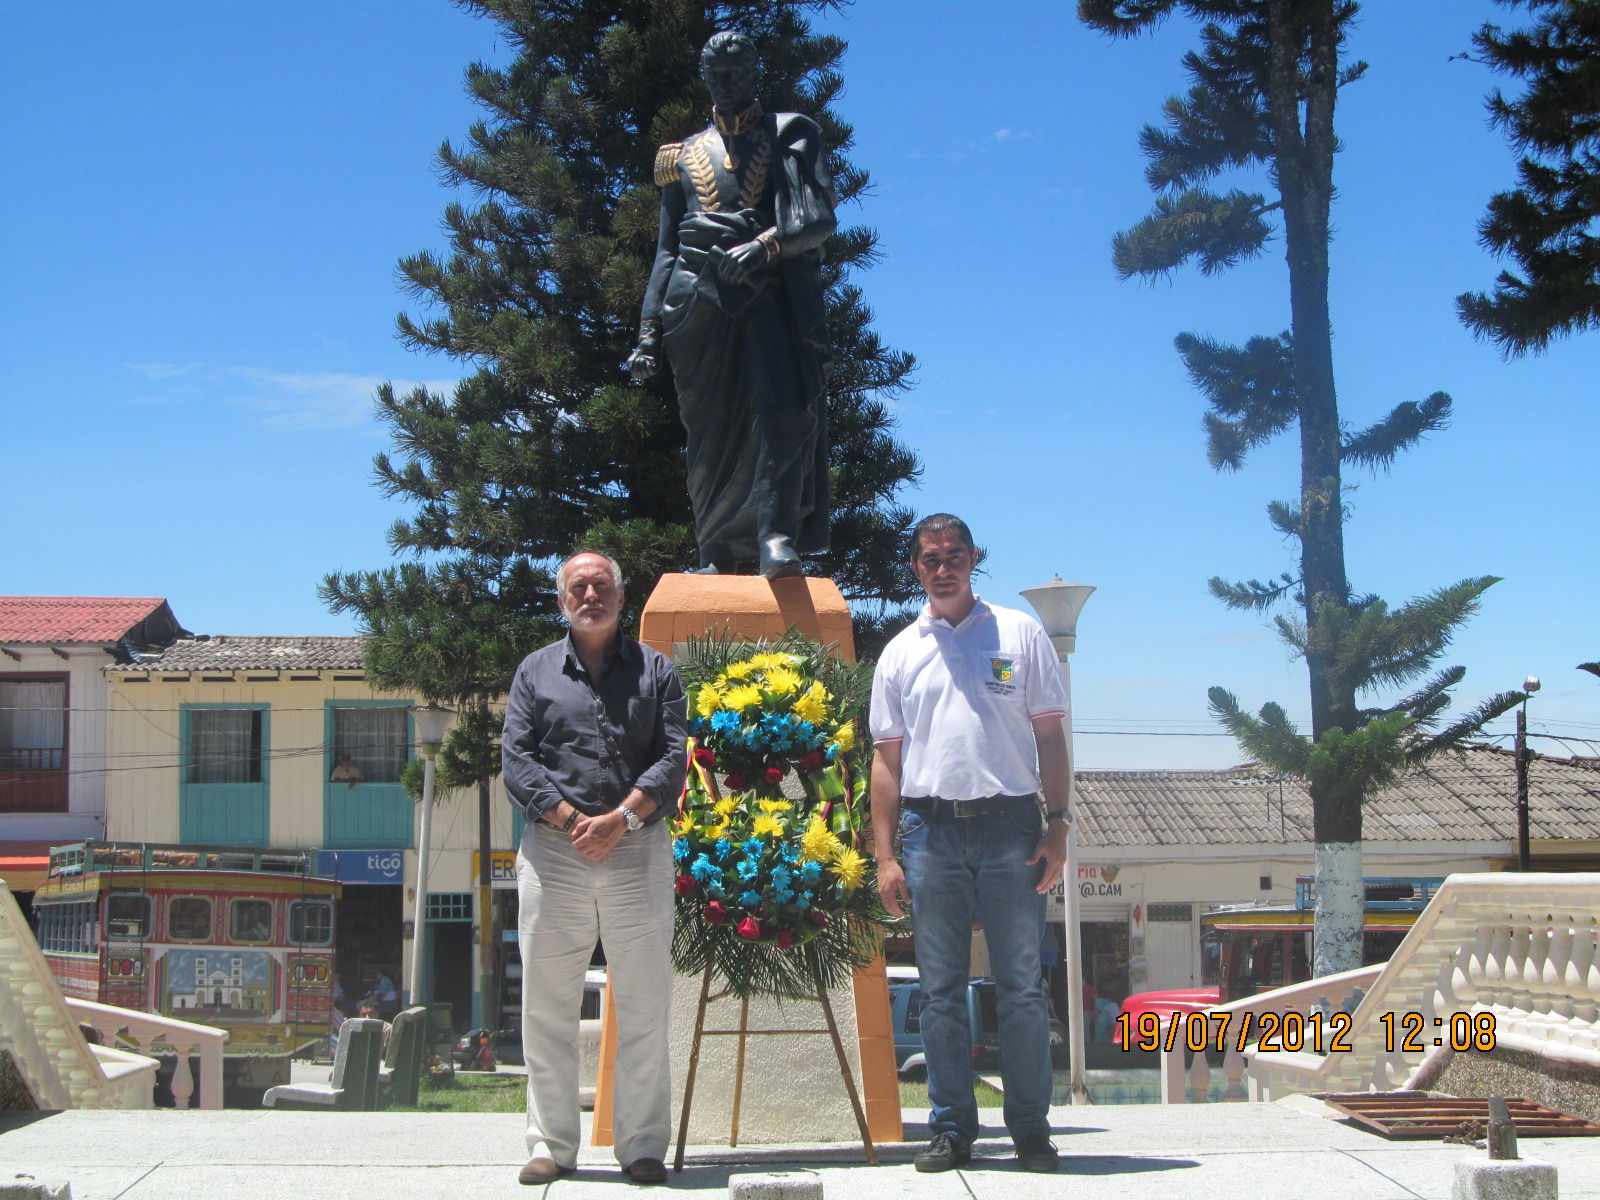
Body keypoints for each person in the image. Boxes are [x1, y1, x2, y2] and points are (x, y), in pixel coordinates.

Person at [870, 513, 1073, 1174]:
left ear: (974, 558)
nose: (943, 566)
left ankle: (1030, 1130)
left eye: (954, 554)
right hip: (932, 834)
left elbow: (1048, 736)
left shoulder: (1018, 631)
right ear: (915, 568)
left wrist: (1059, 822)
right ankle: (952, 1129)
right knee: (940, 989)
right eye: (930, 558)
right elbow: (886, 762)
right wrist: (885, 855)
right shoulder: (901, 651)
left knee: (1018, 986)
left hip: (1013, 825)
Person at [501, 550, 687, 1186]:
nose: (589, 594)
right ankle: (550, 1145)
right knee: (547, 1005)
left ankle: (641, 1147)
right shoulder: (534, 673)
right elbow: (517, 760)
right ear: (561, 600)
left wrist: (621, 820)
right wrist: (567, 818)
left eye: (600, 584)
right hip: (556, 852)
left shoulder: (657, 671)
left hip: (636, 847)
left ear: (620, 595)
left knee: (643, 1003)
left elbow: (671, 758)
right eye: (577, 586)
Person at [626, 30, 836, 579]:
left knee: (779, 411)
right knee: (708, 432)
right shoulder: (679, 156)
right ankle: (714, 548)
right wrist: (647, 333)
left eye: (735, 73)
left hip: (764, 293)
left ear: (754, 75)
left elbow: (817, 219)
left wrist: (764, 246)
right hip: (693, 302)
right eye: (715, 75)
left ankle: (776, 537)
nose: (724, 84)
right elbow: (666, 249)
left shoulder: (789, 133)